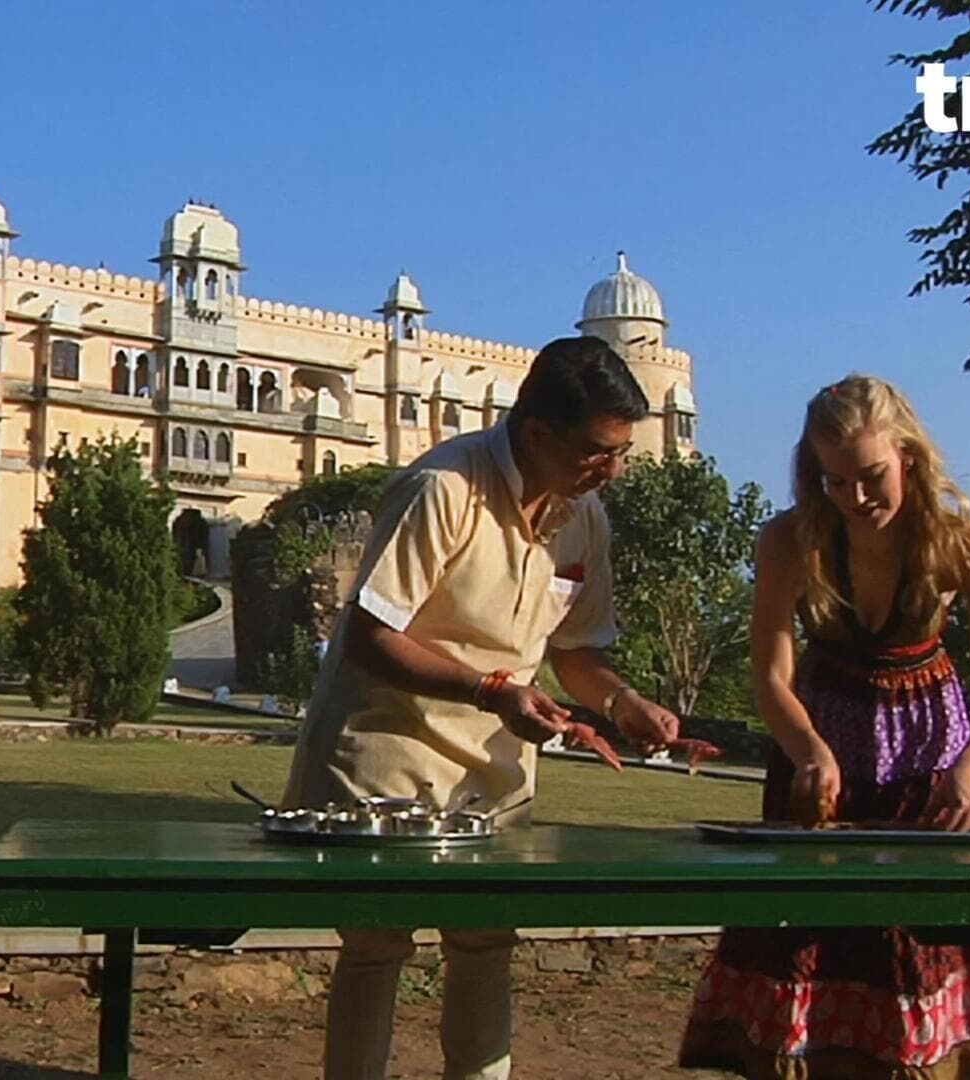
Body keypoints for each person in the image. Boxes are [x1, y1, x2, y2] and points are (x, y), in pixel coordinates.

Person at [284, 335, 683, 1080]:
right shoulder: (443, 488)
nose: (614, 470)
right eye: (599, 452)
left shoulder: (582, 514)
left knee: (486, 937)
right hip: (386, 745)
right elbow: (370, 635)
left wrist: (625, 701)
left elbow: (574, 654)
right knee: (376, 945)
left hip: (496, 761)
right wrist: (492, 691)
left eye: (622, 451)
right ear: (536, 434)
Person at [679, 374, 970, 1078]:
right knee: (806, 942)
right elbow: (771, 675)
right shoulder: (787, 540)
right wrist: (808, 748)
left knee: (914, 952)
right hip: (822, 756)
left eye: (871, 478)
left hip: (930, 760)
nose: (855, 500)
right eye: (834, 481)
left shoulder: (968, 549)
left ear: (909, 459)